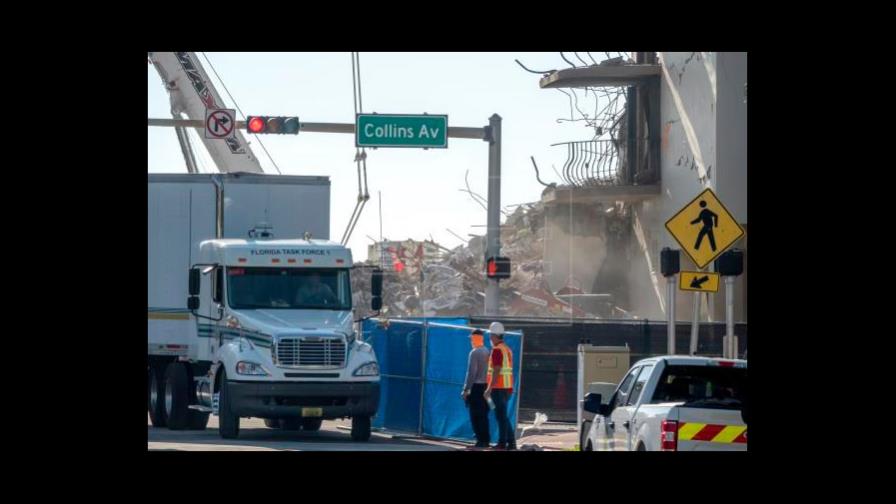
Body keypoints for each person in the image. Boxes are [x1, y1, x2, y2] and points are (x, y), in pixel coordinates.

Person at [484, 322, 516, 450]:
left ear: (494, 335)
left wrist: (489, 388)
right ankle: (510, 442)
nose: (490, 338)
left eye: (491, 335)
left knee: (501, 416)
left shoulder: (497, 350)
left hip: (498, 388)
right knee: (502, 416)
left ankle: (503, 443)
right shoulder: (506, 348)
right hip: (506, 388)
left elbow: (497, 369)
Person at [461, 329, 491, 449]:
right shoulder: (486, 351)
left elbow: (471, 373)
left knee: (475, 415)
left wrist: (466, 389)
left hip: (476, 387)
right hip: (485, 386)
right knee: (483, 414)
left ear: (475, 339)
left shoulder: (474, 352)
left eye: (472, 339)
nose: (471, 341)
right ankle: (485, 440)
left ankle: (480, 441)